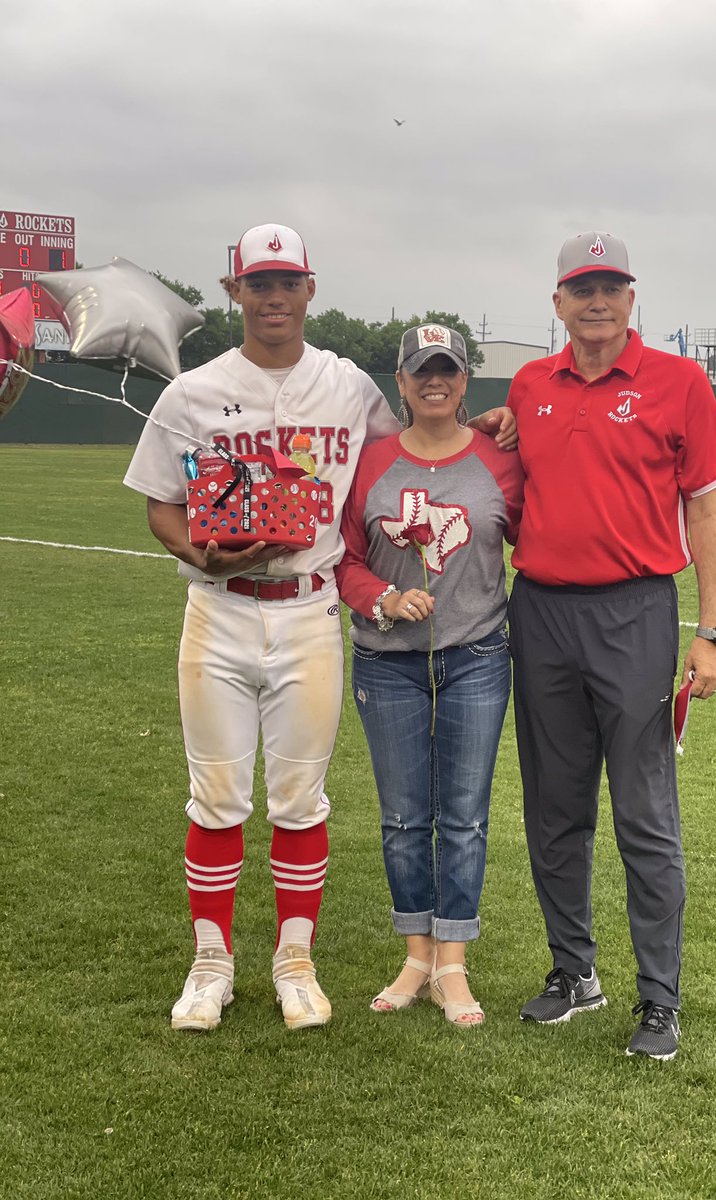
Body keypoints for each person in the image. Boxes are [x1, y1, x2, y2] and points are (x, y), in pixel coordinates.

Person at [123, 225, 514, 1033]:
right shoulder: (191, 392)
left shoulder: (347, 385)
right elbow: (162, 505)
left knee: (300, 800)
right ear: (234, 291)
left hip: (310, 610)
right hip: (219, 610)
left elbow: (413, 445)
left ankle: (294, 963)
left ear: (310, 289)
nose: (273, 297)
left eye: (286, 281)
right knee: (217, 797)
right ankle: (210, 965)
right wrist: (200, 551)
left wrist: (484, 423)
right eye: (258, 282)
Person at [508, 231, 716, 1059]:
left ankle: (659, 1000)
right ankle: (574, 972)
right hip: (540, 613)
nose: (597, 301)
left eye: (612, 287)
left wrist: (709, 632)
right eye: (582, 288)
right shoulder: (530, 385)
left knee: (644, 813)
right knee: (554, 807)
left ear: (632, 298)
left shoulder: (680, 381)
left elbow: (706, 508)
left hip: (634, 613)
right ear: (559, 302)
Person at [335, 324, 524, 1027]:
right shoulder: (372, 462)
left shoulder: (500, 459)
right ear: (402, 382)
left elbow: (537, 535)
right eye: (422, 371)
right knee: (403, 816)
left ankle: (453, 963)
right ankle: (417, 955)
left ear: (465, 380)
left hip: (476, 656)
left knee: (465, 815)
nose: (435, 381)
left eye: (447, 369)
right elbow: (345, 557)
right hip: (388, 662)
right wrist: (383, 599)